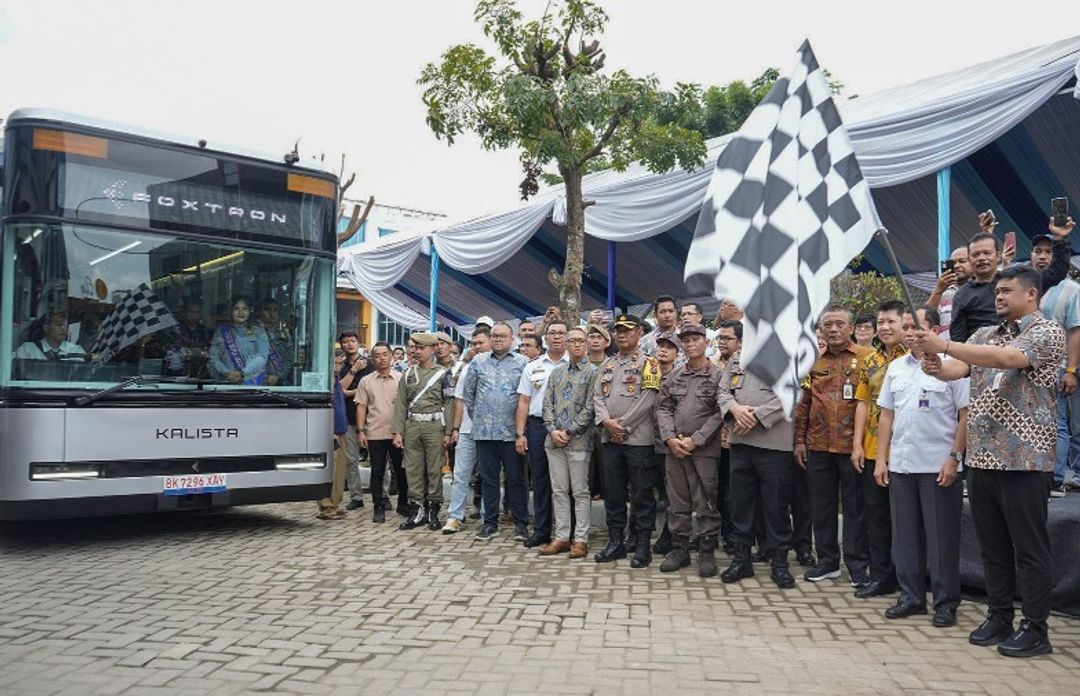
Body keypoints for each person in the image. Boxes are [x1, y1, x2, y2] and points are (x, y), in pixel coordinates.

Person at [915, 265, 1065, 658]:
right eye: (996, 291)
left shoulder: (1046, 332)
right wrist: (934, 362)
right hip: (982, 457)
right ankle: (999, 616)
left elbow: (1008, 359)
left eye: (1007, 291)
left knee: (1029, 548)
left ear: (1031, 294)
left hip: (1025, 460)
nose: (998, 297)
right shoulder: (983, 334)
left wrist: (945, 346)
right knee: (993, 547)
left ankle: (1036, 627)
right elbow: (958, 370)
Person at [876, 306, 968, 627]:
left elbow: (965, 415)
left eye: (914, 326)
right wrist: (881, 459)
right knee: (905, 537)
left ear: (934, 330)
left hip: (937, 465)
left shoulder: (953, 367)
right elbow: (886, 415)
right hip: (901, 464)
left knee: (941, 539)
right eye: (905, 327)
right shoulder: (897, 368)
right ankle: (911, 597)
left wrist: (954, 457)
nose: (909, 332)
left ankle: (945, 603)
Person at [794, 305, 873, 586]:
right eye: (828, 325)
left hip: (853, 447)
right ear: (821, 330)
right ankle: (827, 561)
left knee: (854, 508)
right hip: (818, 445)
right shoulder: (813, 361)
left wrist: (861, 444)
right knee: (822, 506)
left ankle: (858, 565)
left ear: (851, 328)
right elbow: (804, 403)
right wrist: (799, 441)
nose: (834, 329)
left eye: (840, 324)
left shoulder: (868, 357)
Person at [717, 332, 798, 589]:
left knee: (775, 507)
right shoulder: (737, 358)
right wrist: (736, 410)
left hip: (774, 445)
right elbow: (722, 391)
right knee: (740, 504)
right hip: (741, 444)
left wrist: (756, 416)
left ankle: (780, 563)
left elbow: (792, 395)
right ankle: (742, 560)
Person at [655, 323, 725, 578]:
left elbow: (720, 413)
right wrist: (670, 438)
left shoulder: (718, 376)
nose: (690, 344)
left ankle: (706, 552)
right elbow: (663, 408)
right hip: (675, 449)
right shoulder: (674, 376)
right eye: (686, 340)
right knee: (677, 501)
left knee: (705, 500)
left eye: (696, 339)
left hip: (703, 450)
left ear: (706, 343)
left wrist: (696, 439)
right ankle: (679, 549)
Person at [850, 300, 909, 599]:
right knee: (876, 518)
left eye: (891, 322)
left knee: (908, 521)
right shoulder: (869, 361)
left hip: (907, 452)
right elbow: (862, 402)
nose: (885, 328)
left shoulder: (915, 358)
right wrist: (857, 444)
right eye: (881, 322)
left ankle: (910, 578)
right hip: (874, 452)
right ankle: (881, 576)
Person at [593, 314, 662, 567]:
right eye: (618, 331)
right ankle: (616, 543)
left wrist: (623, 425)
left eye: (627, 330)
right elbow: (597, 396)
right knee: (613, 493)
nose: (621, 335)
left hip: (638, 441)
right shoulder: (607, 364)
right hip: (611, 440)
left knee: (642, 494)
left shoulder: (650, 363)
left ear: (640, 333)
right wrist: (607, 423)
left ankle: (643, 546)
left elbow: (649, 398)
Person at [949, 217, 1072, 344]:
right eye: (975, 255)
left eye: (986, 253)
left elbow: (1057, 272)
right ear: (969, 259)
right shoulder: (961, 295)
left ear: (998, 255)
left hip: (1024, 354)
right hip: (982, 358)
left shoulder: (1019, 279)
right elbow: (958, 340)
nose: (981, 258)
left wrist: (1060, 239)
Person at [463, 323, 529, 541]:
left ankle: (521, 524)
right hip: (484, 431)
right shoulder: (478, 361)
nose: (498, 340)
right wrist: (481, 418)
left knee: (516, 479)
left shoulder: (523, 363)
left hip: (512, 433)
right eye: (494, 336)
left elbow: (526, 397)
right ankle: (490, 523)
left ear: (512, 339)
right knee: (488, 479)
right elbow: (469, 396)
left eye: (503, 336)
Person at [539, 326, 598, 559]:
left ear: (586, 344)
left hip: (579, 441)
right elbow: (547, 404)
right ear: (565, 343)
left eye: (580, 341)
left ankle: (581, 539)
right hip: (554, 442)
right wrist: (553, 430)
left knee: (580, 491)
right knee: (559, 490)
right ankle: (562, 537)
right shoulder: (557, 372)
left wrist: (570, 430)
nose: (575, 344)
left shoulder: (593, 372)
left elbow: (591, 406)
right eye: (571, 340)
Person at [1031, 231, 1080, 491]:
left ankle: (1056, 479)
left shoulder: (1072, 289)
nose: (1042, 256)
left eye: (1048, 251)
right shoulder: (1029, 285)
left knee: (1061, 422)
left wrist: (1070, 369)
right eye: (1038, 250)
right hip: (1031, 367)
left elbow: (1076, 330)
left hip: (1060, 367)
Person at [391, 332, 454, 531]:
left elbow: (449, 403)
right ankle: (416, 510)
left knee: (434, 469)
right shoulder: (408, 374)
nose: (417, 351)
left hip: (435, 425)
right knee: (413, 469)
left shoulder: (444, 374)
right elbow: (401, 404)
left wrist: (448, 432)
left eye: (421, 348)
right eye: (415, 348)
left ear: (432, 349)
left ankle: (433, 510)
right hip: (413, 425)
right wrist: (398, 432)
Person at [515, 320, 569, 548]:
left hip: (569, 427)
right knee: (540, 480)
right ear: (545, 338)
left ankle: (570, 531)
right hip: (537, 427)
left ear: (567, 337)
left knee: (570, 482)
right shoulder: (533, 366)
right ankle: (542, 530)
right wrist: (520, 433)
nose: (556, 337)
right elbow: (524, 401)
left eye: (561, 333)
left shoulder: (576, 363)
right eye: (552, 333)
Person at [442, 328, 492, 533]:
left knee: (489, 476)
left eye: (481, 342)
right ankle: (455, 516)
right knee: (461, 474)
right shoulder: (467, 368)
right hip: (466, 430)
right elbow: (459, 400)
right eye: (474, 343)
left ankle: (488, 516)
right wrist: (455, 428)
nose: (477, 347)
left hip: (491, 431)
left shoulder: (501, 367)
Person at [356, 342, 405, 523]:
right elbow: (361, 406)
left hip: (397, 433)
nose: (381, 358)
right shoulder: (366, 381)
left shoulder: (402, 379)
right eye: (377, 355)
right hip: (374, 433)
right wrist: (361, 431)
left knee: (401, 470)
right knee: (377, 472)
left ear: (391, 356)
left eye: (385, 354)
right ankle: (379, 506)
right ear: (372, 358)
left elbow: (406, 406)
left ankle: (403, 503)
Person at [650, 331, 682, 556]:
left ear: (677, 353)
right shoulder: (648, 373)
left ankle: (670, 537)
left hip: (669, 444)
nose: (663, 350)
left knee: (672, 494)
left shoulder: (681, 377)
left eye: (669, 347)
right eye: (661, 346)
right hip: (646, 442)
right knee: (649, 492)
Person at [338, 331, 372, 511]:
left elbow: (372, 390)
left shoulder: (371, 364)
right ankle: (356, 497)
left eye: (352, 341)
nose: (350, 344)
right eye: (345, 342)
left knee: (378, 460)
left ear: (358, 343)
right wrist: (354, 370)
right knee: (351, 460)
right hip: (349, 418)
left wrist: (353, 392)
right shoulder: (342, 366)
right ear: (341, 345)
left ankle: (382, 495)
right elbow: (340, 389)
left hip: (372, 418)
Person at [209, 296, 270, 384]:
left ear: (250, 311)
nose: (241, 312)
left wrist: (242, 373)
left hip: (251, 382)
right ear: (231, 311)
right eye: (236, 308)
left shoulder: (258, 330)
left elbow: (262, 356)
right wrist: (227, 373)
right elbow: (214, 357)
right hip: (227, 382)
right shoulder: (221, 331)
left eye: (244, 308)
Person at [317, 379, 350, 520]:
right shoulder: (324, 379)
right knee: (330, 469)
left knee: (340, 470)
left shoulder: (335, 380)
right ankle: (326, 505)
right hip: (331, 429)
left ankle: (335, 503)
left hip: (341, 428)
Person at [926, 247, 972, 339]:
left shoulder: (983, 288)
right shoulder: (943, 292)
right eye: (953, 263)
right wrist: (938, 290)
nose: (956, 266)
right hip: (945, 349)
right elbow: (925, 317)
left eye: (962, 261)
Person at [163, 300, 211, 378]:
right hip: (177, 374)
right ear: (184, 313)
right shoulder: (175, 329)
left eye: (197, 312)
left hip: (199, 373)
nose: (193, 315)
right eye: (191, 312)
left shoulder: (206, 331)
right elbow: (168, 349)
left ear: (201, 314)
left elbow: (206, 349)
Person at [15, 312, 88, 361]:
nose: (63, 328)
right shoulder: (28, 350)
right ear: (46, 328)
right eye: (59, 325)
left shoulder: (75, 350)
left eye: (66, 326)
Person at [260, 299, 293, 385]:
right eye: (267, 309)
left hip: (279, 383)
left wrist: (279, 377)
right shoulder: (254, 332)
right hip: (257, 381)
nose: (271, 314)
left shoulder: (285, 334)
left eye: (275, 310)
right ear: (260, 312)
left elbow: (289, 359)